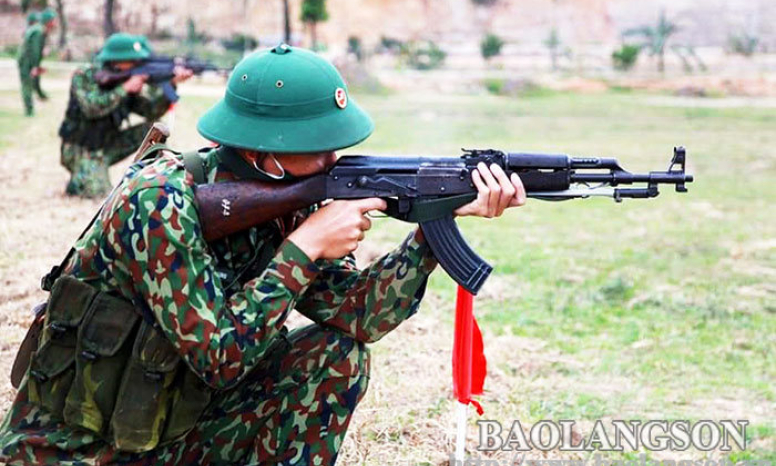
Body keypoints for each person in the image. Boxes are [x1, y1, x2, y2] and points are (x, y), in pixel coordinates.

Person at [0, 45, 526, 466]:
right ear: (258, 151)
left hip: (174, 430)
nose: (332, 160)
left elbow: (361, 316)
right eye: (317, 146)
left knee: (337, 357)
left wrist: (435, 225)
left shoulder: (289, 200)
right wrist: (304, 249)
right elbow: (222, 359)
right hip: (73, 451)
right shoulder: (159, 201)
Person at [58, 32, 193, 198]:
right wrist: (125, 89)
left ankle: (158, 180)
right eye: (133, 60)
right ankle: (79, 177)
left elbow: (150, 111)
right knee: (100, 195)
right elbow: (91, 107)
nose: (137, 64)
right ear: (116, 60)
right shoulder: (85, 75)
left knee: (153, 129)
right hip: (80, 147)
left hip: (108, 142)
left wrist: (171, 85)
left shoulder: (124, 79)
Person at [17, 7, 55, 116]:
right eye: (53, 21)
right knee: (27, 84)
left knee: (33, 82)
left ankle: (41, 96)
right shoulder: (38, 31)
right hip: (26, 62)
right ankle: (29, 111)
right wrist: (35, 66)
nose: (54, 23)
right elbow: (35, 50)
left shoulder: (39, 29)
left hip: (29, 60)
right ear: (48, 21)